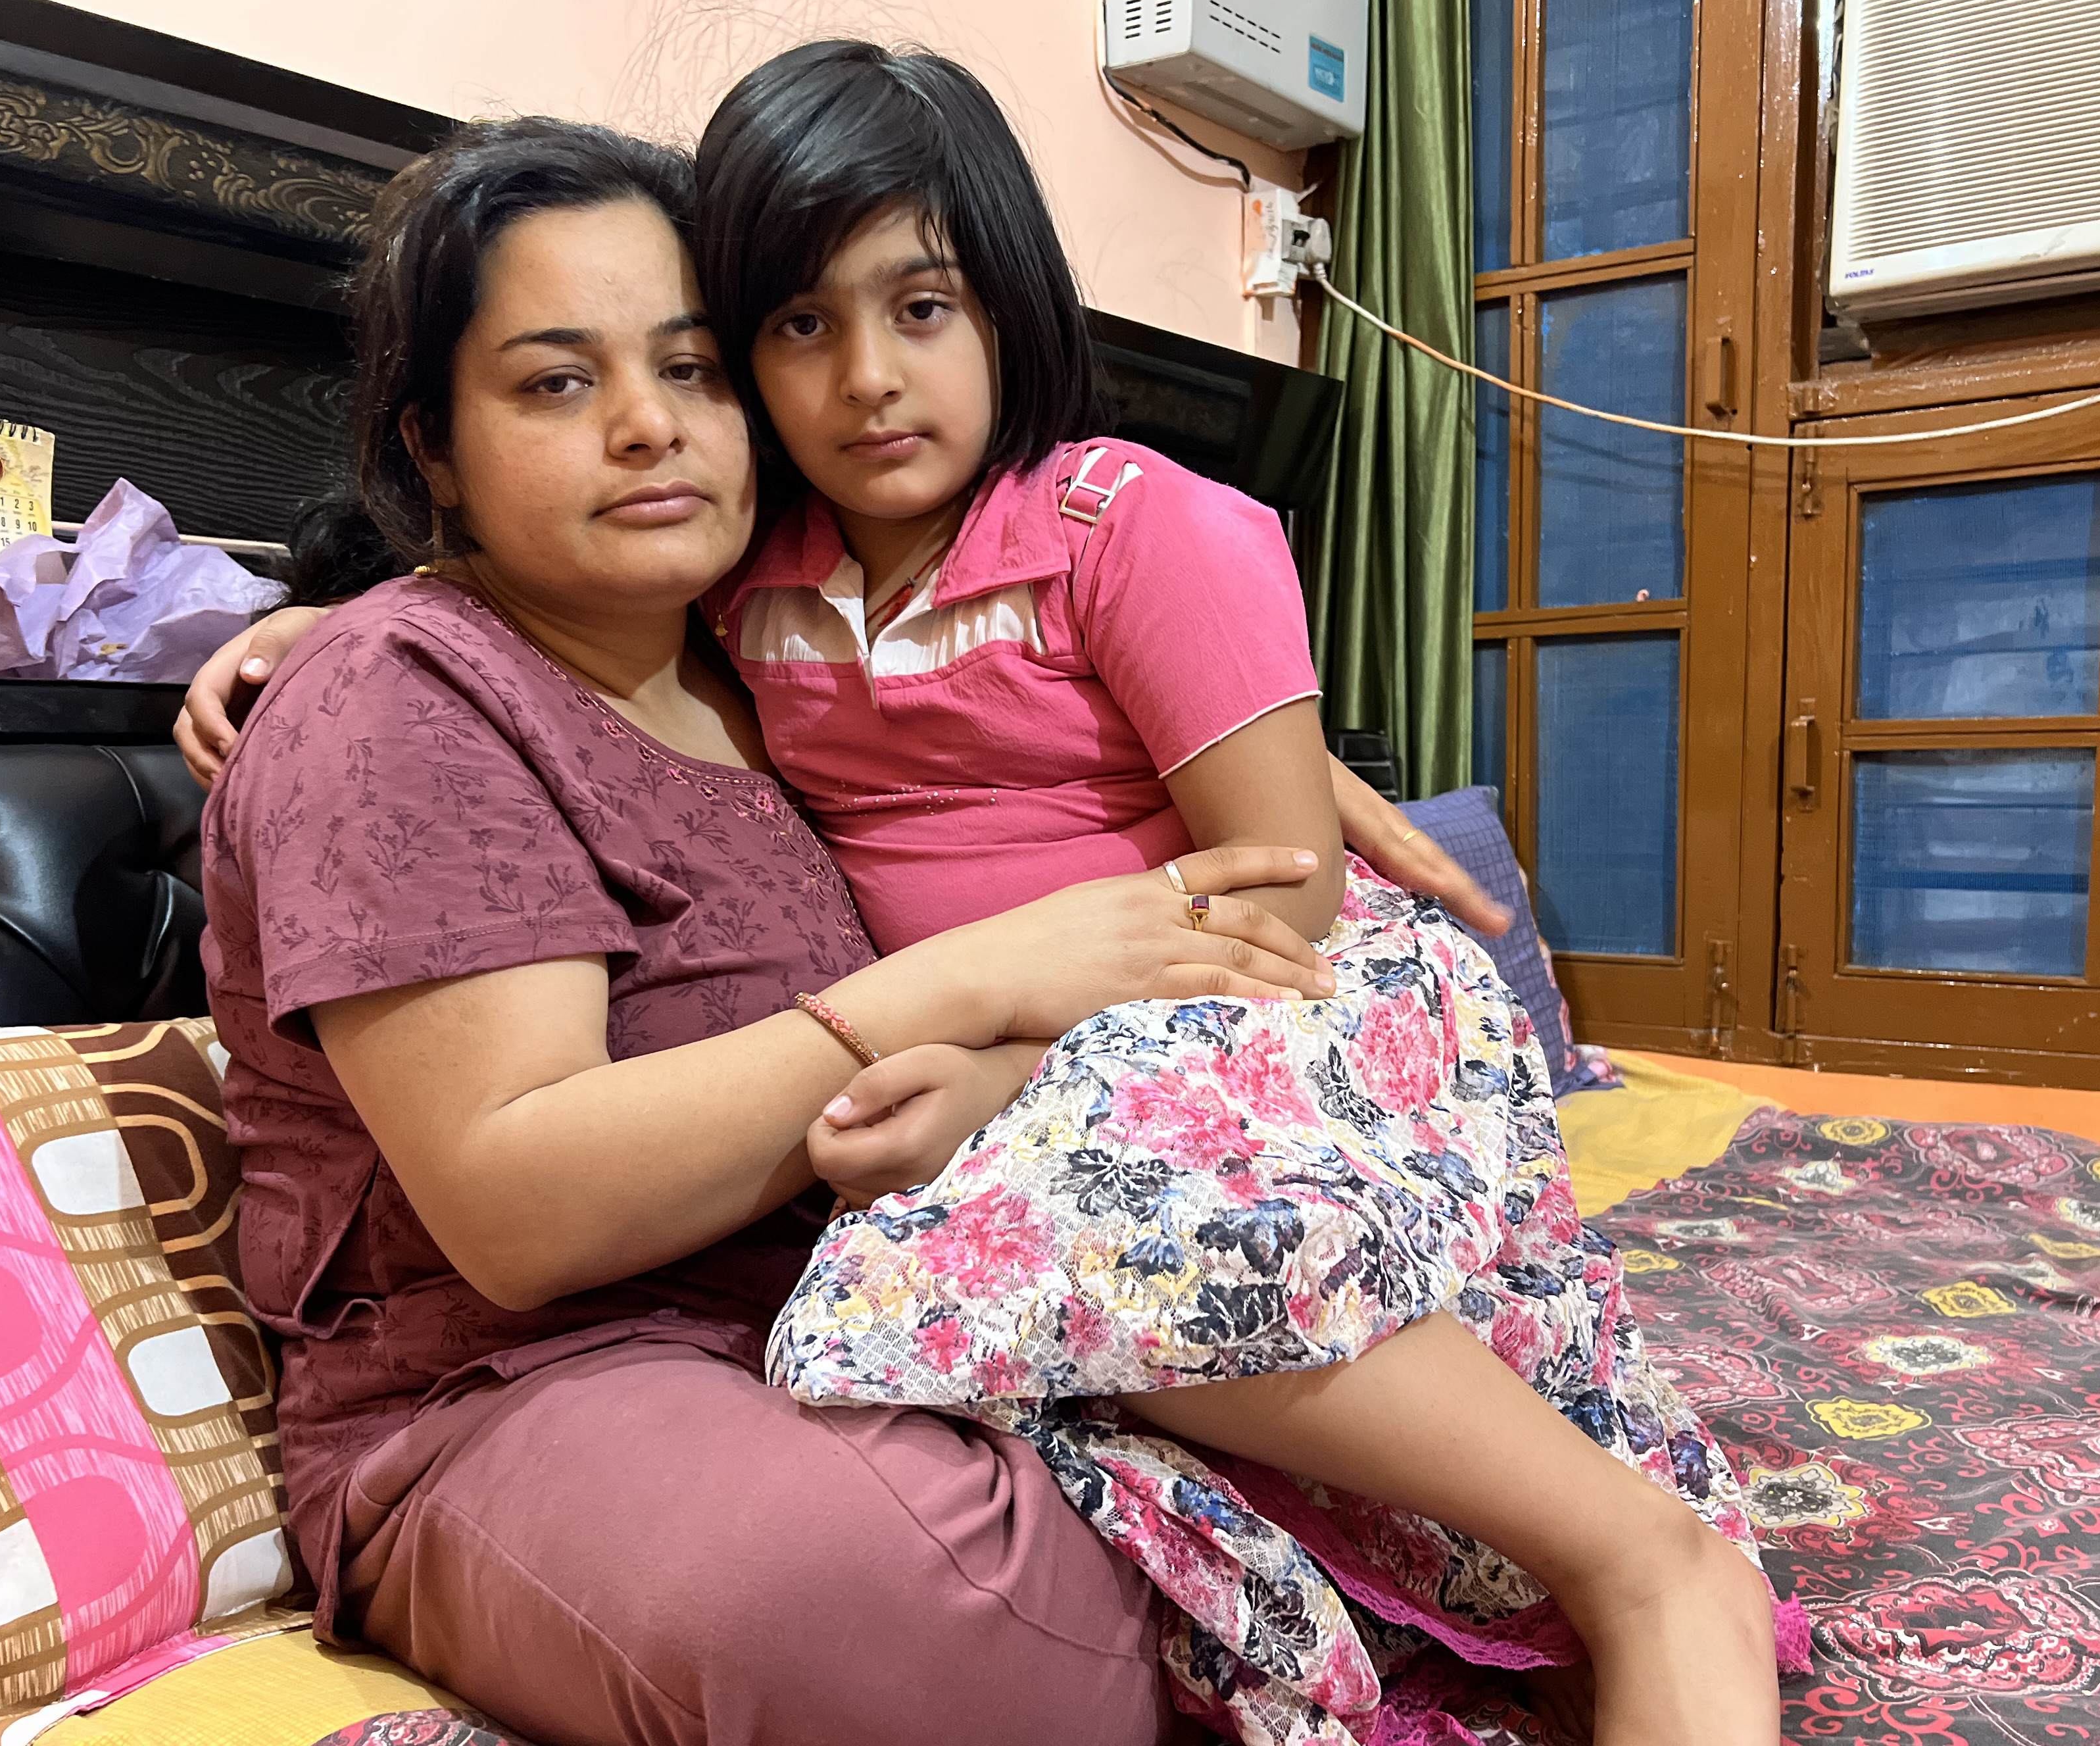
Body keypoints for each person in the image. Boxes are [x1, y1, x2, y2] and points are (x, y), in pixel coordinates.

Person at [195, 114, 1484, 1746]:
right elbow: (519, 1208)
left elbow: (1042, 757)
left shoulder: (762, 653)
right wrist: (955, 984)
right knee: (881, 1594)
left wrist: (1266, 773)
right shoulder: (401, 699)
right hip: (526, 1386)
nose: (652, 429)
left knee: (1336, 1345)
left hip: (882, 1301)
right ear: (430, 448)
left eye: (696, 367)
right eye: (555, 383)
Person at [666, 43, 1796, 1746]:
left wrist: (1013, 1076)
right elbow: (528, 603)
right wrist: (300, 626)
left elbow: (1291, 902)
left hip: (1268, 998)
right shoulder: (750, 582)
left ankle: (1644, 1559)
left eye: (922, 307)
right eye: (800, 325)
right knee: (866, 1328)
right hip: (1039, 1044)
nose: (867, 381)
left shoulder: (1132, 522)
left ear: (1010, 304)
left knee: (1007, 1220)